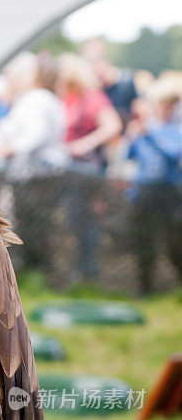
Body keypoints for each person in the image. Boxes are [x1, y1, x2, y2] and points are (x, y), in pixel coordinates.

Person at [0, 52, 68, 272]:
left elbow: (35, 134)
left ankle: (36, 270)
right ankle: (35, 270)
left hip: (37, 175)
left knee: (34, 226)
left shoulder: (38, 98)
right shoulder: (37, 98)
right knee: (32, 224)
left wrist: (7, 149)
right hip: (34, 174)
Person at [56, 54, 122, 280]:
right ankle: (79, 268)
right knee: (74, 220)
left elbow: (113, 125)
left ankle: (88, 270)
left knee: (89, 221)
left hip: (89, 172)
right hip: (69, 171)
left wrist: (85, 144)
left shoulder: (93, 98)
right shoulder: (67, 98)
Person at [125, 80, 182, 292]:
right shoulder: (145, 128)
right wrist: (132, 136)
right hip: (143, 191)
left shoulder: (175, 129)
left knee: (175, 241)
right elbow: (128, 155)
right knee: (143, 241)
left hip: (170, 192)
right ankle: (145, 287)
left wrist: (150, 133)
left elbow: (174, 153)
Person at [81, 38, 138, 126]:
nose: (93, 66)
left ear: (107, 61)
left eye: (95, 60)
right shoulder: (90, 89)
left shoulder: (126, 82)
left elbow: (139, 112)